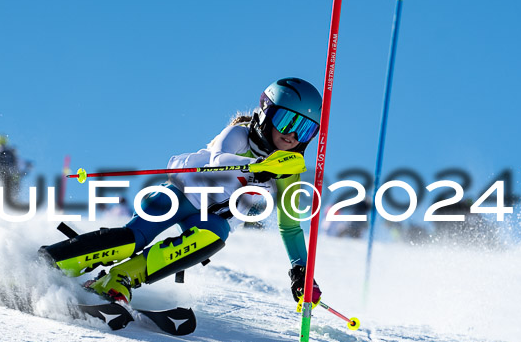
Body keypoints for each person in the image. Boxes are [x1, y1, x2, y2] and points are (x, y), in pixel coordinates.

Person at [40, 78, 323, 306]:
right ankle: (52, 262)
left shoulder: (288, 171)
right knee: (133, 239)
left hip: (211, 218)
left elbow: (290, 228)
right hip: (182, 195)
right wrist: (256, 166)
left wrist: (302, 271)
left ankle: (120, 279)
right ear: (266, 114)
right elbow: (218, 160)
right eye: (287, 122)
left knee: (214, 236)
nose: (293, 136)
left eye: (305, 130)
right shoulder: (239, 134)